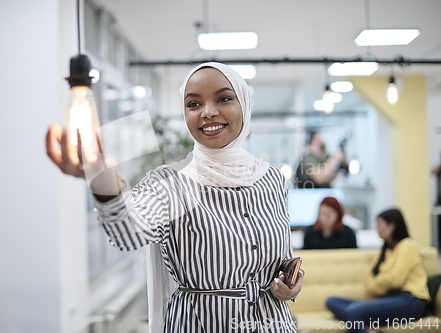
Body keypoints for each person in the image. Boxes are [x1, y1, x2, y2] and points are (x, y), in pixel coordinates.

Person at [46, 62, 304, 332]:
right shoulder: (172, 183)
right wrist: (102, 178)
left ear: (245, 105)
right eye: (194, 104)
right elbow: (127, 230)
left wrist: (291, 285)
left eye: (224, 99)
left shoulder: (272, 179)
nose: (208, 112)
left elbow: (282, 262)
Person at [325, 208, 430, 333]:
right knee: (332, 301)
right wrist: (386, 280)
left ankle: (360, 323)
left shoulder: (407, 245)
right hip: (389, 299)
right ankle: (365, 327)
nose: (376, 228)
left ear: (391, 226)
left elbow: (394, 280)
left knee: (353, 311)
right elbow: (371, 285)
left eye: (380, 224)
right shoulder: (383, 251)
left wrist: (382, 280)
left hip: (411, 300)